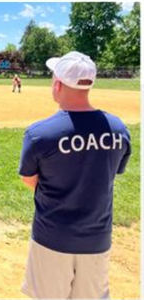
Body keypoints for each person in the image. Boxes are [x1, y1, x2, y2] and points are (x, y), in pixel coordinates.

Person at [19, 51, 131, 299]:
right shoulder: (118, 130)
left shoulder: (40, 133)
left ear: (58, 84)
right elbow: (112, 172)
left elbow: (29, 179)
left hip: (52, 237)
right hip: (97, 238)